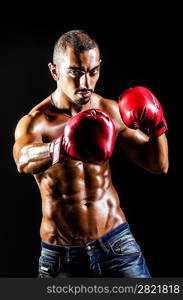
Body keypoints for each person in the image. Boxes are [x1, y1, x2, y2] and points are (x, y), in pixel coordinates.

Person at [13, 30, 168, 278]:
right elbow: (23, 160)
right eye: (75, 72)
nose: (86, 83)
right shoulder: (36, 122)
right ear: (55, 71)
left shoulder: (109, 110)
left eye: (93, 71)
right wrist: (62, 146)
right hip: (61, 256)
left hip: (116, 244)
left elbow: (158, 165)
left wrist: (157, 126)